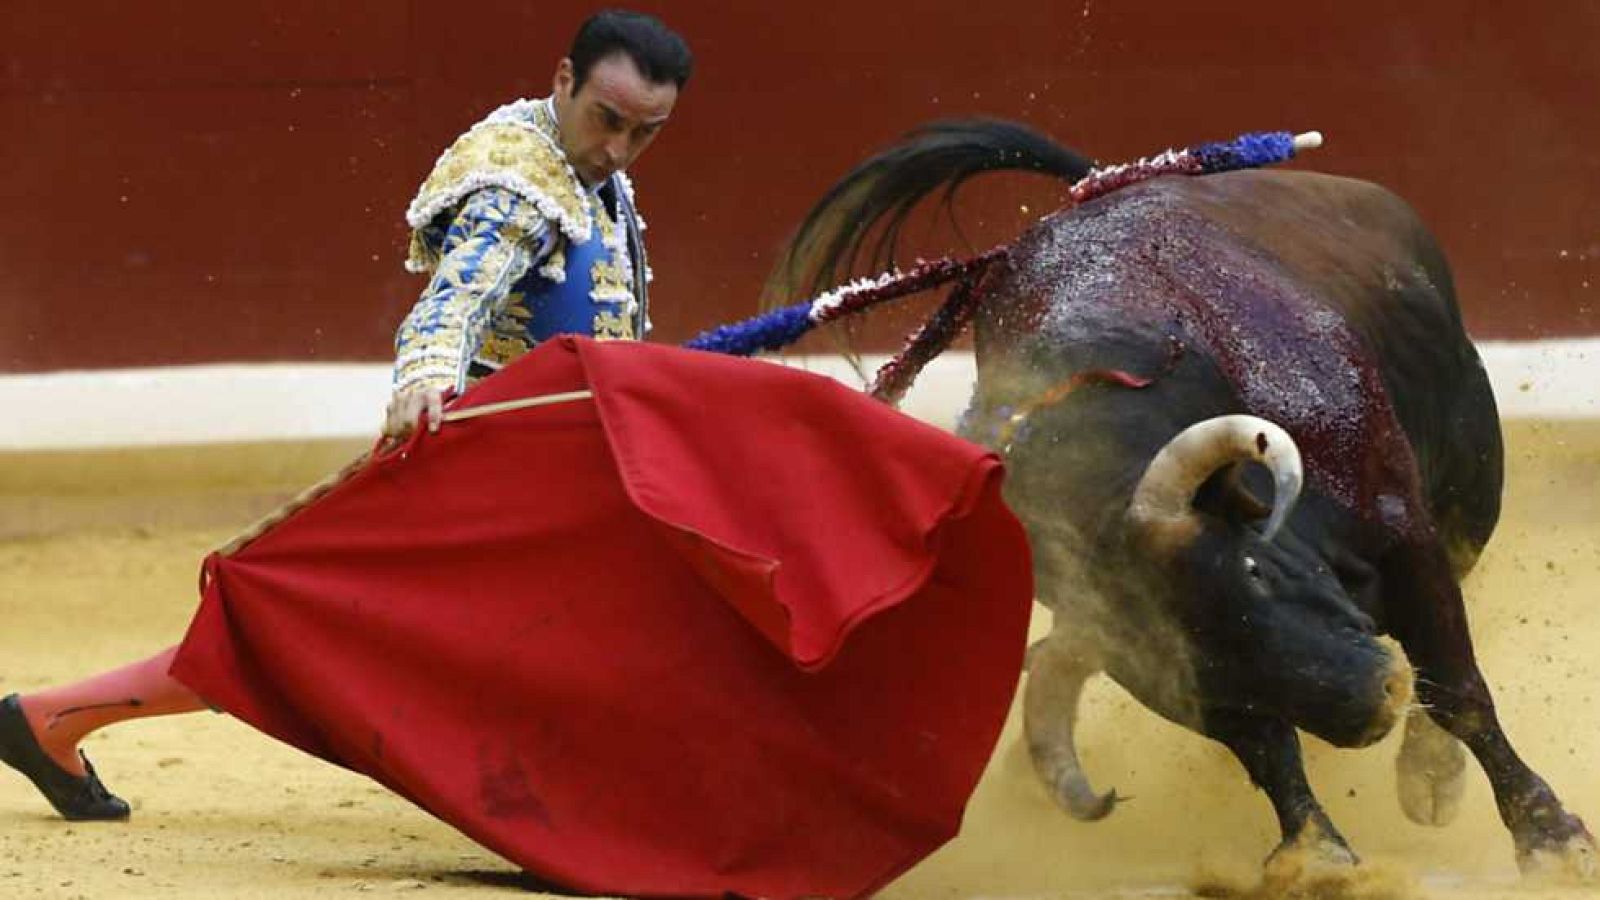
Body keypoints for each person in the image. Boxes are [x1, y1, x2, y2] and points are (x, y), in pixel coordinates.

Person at [0, 8, 693, 822]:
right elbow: (452, 304)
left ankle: (49, 718)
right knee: (310, 637)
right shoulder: (521, 193)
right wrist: (426, 377)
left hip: (543, 479)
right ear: (563, 80)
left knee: (328, 636)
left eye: (643, 133)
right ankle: (51, 717)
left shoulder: (578, 169)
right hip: (482, 478)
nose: (617, 147)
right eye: (606, 120)